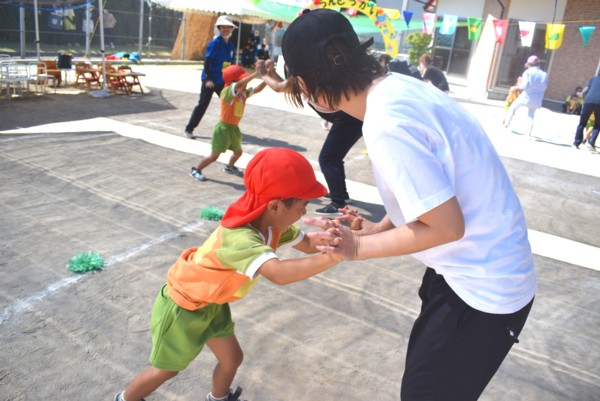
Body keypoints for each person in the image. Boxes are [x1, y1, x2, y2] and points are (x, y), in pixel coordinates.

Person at [281, 9, 536, 401]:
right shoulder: (400, 87)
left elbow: (447, 226)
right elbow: (432, 192)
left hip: (484, 288)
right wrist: (379, 228)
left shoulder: (386, 123)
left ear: (306, 85)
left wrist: (356, 247)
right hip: (469, 270)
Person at [113, 147, 343, 401]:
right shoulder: (240, 238)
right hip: (183, 307)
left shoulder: (272, 224)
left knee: (232, 359)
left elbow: (309, 244)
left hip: (212, 303)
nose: (304, 212)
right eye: (303, 205)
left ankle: (218, 398)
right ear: (276, 206)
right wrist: (335, 256)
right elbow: (278, 274)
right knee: (166, 370)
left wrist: (338, 238)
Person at [256, 59, 362, 216]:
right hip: (350, 119)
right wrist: (271, 73)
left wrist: (263, 74)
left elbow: (279, 87)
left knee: (327, 159)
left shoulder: (306, 77)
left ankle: (338, 203)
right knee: (333, 159)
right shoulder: (304, 78)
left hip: (349, 120)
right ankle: (341, 195)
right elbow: (286, 85)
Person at [189, 65, 266, 182]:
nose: (245, 84)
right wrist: (255, 74)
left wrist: (267, 78)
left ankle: (229, 167)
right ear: (233, 83)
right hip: (223, 129)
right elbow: (239, 85)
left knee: (238, 152)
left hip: (233, 128)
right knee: (214, 156)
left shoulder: (242, 94)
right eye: (243, 81)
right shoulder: (227, 92)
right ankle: (195, 169)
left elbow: (257, 89)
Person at [184, 16, 237, 139]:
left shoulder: (230, 45)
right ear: (219, 28)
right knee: (203, 104)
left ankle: (227, 126)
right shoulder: (215, 43)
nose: (226, 29)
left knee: (229, 103)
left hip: (222, 81)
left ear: (232, 29)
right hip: (210, 80)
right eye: (223, 27)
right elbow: (207, 61)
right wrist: (208, 79)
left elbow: (231, 64)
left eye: (228, 27)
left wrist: (233, 80)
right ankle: (189, 129)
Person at [503, 55, 548, 138]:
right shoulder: (544, 74)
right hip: (537, 99)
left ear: (529, 64)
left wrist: (515, 87)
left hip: (526, 97)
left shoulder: (527, 72)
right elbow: (545, 87)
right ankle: (528, 133)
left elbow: (524, 86)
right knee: (531, 115)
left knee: (513, 108)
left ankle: (506, 124)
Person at [573, 71, 600, 151]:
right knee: (598, 124)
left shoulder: (593, 79)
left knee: (582, 123)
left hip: (588, 101)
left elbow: (585, 90)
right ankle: (591, 143)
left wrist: (581, 94)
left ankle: (576, 143)